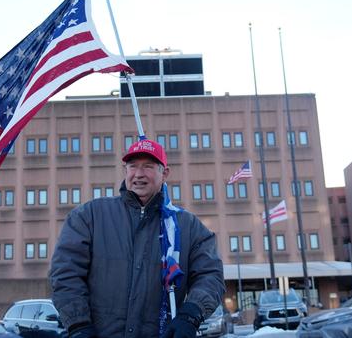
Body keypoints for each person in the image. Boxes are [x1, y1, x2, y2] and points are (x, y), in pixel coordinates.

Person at [49, 139, 225, 338]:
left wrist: (191, 313)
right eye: (133, 166)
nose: (139, 174)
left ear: (164, 173)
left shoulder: (188, 226)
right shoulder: (90, 216)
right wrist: (78, 325)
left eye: (148, 166)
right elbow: (65, 273)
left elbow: (211, 275)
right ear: (125, 170)